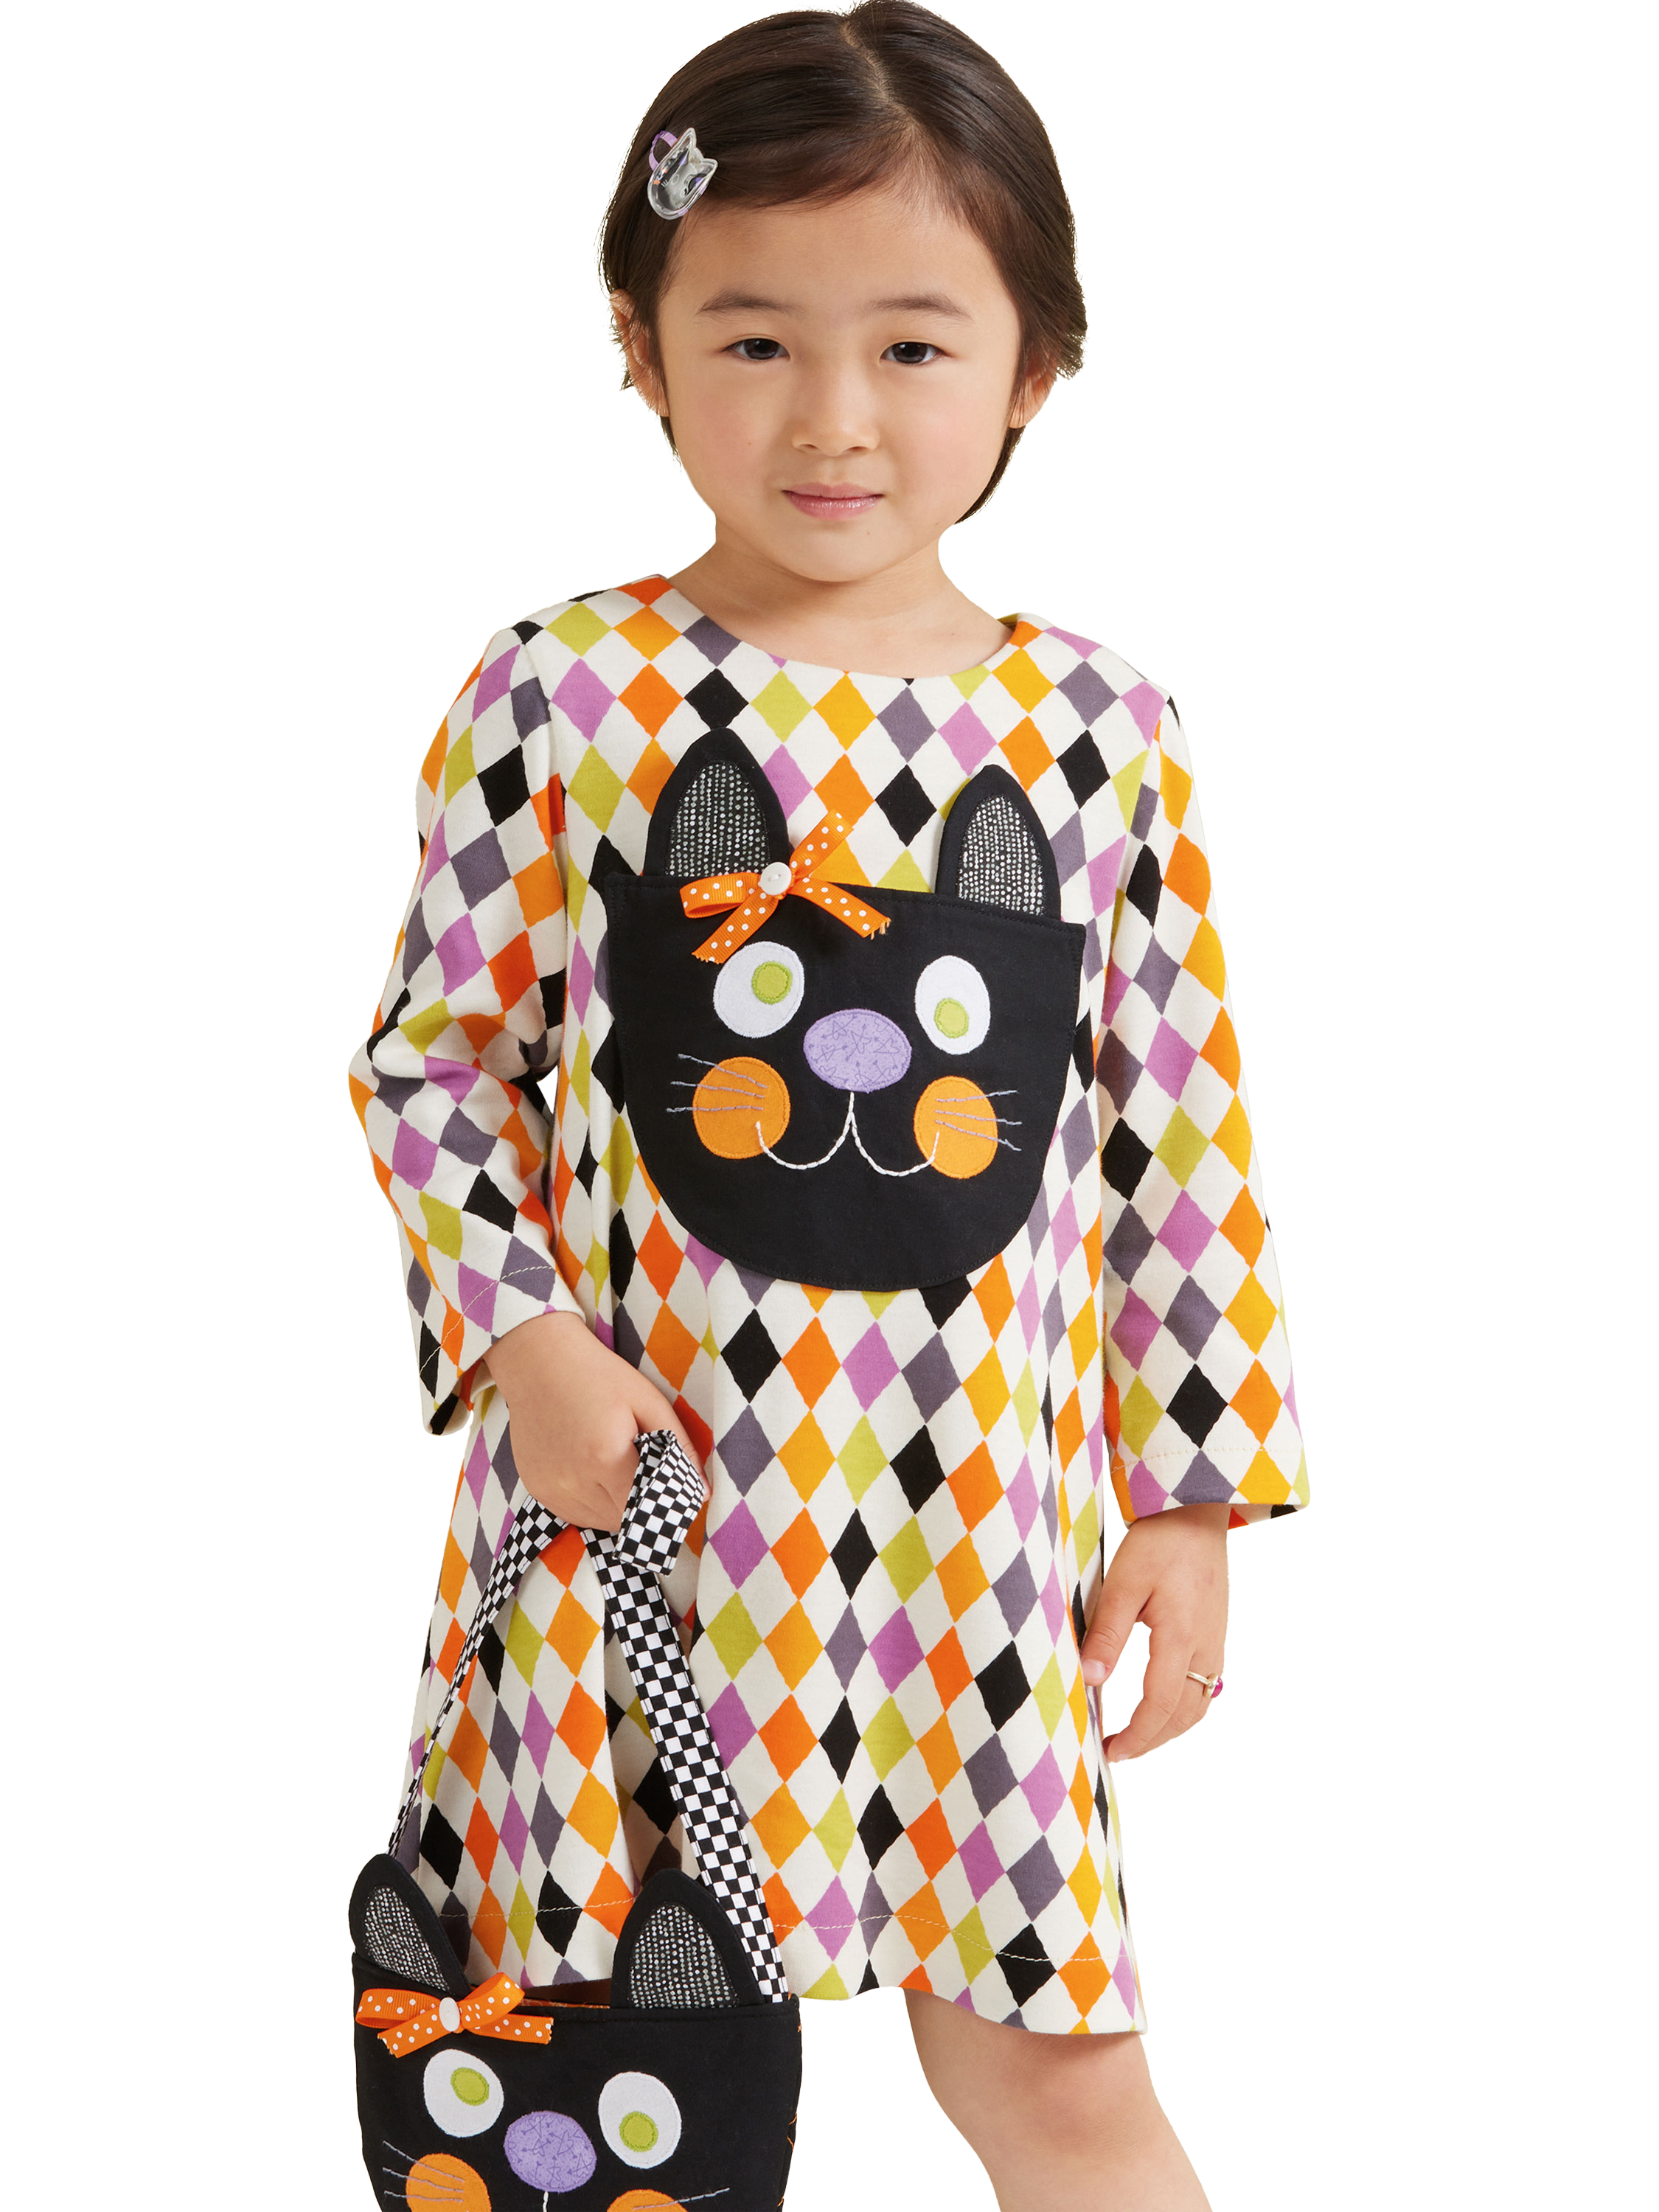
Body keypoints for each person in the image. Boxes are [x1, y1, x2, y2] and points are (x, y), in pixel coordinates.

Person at [348, 7, 1307, 2205]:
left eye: (914, 344)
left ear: (1037, 364)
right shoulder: (564, 694)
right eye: (758, 340)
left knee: (1059, 2079)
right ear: (643, 344)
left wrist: (1190, 1502)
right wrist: (528, 1340)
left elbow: (1174, 1135)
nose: (835, 416)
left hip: (976, 1564)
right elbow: (434, 1063)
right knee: (613, 2107)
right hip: (629, 1534)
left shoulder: (1100, 732)